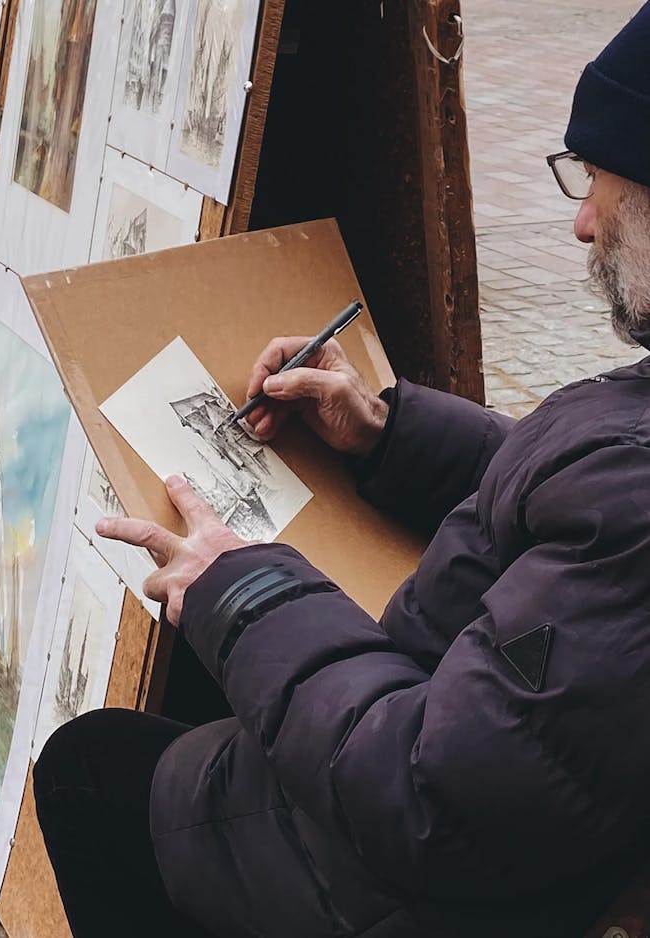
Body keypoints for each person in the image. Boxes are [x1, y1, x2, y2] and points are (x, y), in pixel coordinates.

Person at [33, 5, 650, 937]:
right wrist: (388, 433)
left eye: (602, 182)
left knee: (87, 767)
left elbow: (429, 799)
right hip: (505, 790)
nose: (581, 221)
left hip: (424, 874)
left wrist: (238, 590)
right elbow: (575, 493)